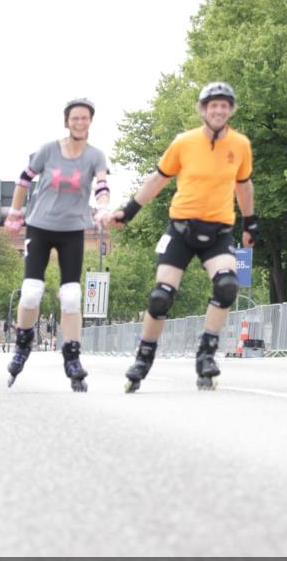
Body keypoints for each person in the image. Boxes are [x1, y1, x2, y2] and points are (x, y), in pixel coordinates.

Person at [110, 82, 258, 391]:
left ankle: (206, 355)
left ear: (230, 110)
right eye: (213, 105)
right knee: (161, 295)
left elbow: (243, 186)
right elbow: (158, 179)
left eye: (224, 105)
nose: (218, 110)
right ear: (203, 110)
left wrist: (250, 222)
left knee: (227, 285)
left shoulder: (240, 145)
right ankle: (143, 358)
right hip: (181, 230)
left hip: (218, 232)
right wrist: (129, 210)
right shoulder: (184, 142)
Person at [3, 97, 110, 391]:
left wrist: (103, 207)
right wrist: (15, 211)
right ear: (67, 121)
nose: (80, 122)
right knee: (31, 292)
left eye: (85, 118)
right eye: (75, 118)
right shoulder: (49, 150)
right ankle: (23, 344)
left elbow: (101, 184)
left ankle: (72, 356)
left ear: (90, 122)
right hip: (40, 226)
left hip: (73, 228)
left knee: (72, 295)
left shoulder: (95, 156)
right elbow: (24, 180)